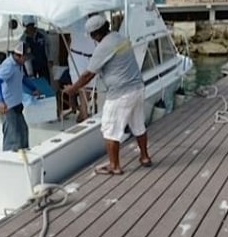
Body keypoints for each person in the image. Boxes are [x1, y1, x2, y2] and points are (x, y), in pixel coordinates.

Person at [63, 14, 151, 174]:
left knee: (110, 129)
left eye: (92, 36)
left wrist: (73, 89)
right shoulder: (120, 37)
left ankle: (114, 166)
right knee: (138, 124)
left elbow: (87, 75)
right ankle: (144, 157)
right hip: (137, 88)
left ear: (96, 34)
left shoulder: (103, 47)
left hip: (120, 93)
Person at [0, 42, 39, 151]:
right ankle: (11, 160)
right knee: (13, 137)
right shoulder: (8, 66)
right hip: (7, 107)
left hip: (16, 105)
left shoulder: (19, 65)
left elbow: (22, 78)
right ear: (18, 55)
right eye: (25, 57)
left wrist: (33, 88)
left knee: (23, 132)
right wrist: (0, 101)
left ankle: (25, 156)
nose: (27, 60)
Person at [67, 16, 97, 122]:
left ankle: (84, 111)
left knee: (90, 85)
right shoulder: (76, 17)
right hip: (77, 56)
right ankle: (84, 113)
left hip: (92, 56)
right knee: (81, 85)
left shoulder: (98, 17)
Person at [20, 15, 52, 84]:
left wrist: (50, 59)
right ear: (25, 26)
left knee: (46, 83)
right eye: (28, 26)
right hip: (30, 67)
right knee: (32, 85)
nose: (30, 28)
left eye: (32, 25)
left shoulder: (42, 33)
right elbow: (22, 56)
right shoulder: (22, 39)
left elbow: (49, 45)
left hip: (43, 63)